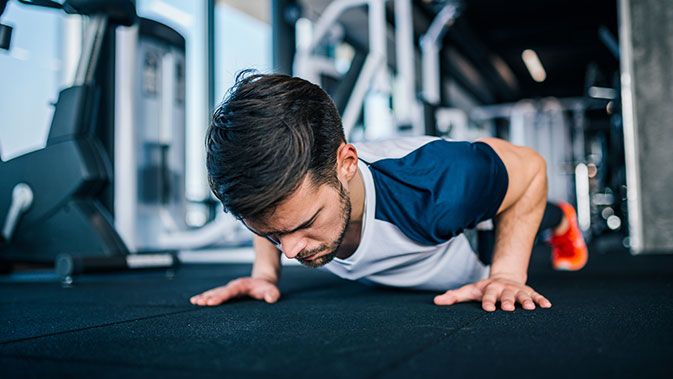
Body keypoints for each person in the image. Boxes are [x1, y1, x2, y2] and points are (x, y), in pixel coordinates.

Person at [190, 72, 588, 312]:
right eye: (272, 235)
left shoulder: (436, 186)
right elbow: (270, 210)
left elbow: (532, 168)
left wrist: (507, 275)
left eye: (307, 223)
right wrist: (265, 272)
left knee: (533, 215)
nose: (290, 251)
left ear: (346, 165)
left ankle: (561, 219)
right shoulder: (281, 196)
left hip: (473, 236)